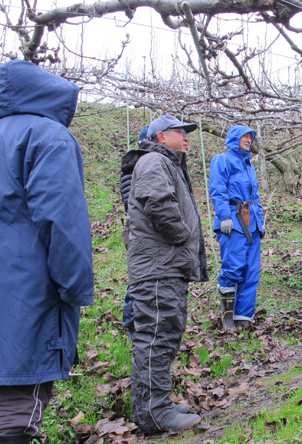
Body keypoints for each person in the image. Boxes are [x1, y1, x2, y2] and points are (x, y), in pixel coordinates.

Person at [0, 60, 94, 443]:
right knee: (15, 412)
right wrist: (76, 290)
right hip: (28, 299)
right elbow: (61, 223)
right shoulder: (49, 137)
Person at [126, 114, 208, 434]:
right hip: (158, 267)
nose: (186, 137)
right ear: (161, 136)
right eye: (180, 132)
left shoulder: (168, 164)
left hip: (166, 267)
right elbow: (158, 202)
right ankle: (153, 413)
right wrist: (182, 235)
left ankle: (158, 402)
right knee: (156, 337)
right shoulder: (153, 162)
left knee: (166, 334)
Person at [209, 125, 264, 331]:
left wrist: (260, 220)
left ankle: (244, 318)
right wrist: (224, 216)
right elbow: (218, 189)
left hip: (252, 224)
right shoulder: (222, 160)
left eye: (251, 137)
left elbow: (255, 197)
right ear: (234, 138)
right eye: (245, 136)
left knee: (252, 271)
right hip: (232, 222)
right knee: (233, 269)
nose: (249, 140)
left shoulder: (249, 166)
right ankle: (228, 320)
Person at [120, 125, 149, 339]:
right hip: (140, 232)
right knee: (138, 279)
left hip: (142, 231)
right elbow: (134, 205)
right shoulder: (135, 168)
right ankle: (131, 324)